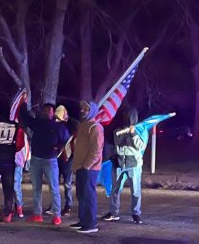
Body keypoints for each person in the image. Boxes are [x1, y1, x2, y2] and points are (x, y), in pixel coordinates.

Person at [19, 96, 71, 225]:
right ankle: (37, 214)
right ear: (42, 112)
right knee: (36, 188)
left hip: (50, 161)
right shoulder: (38, 124)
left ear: (53, 113)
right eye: (45, 110)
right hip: (36, 159)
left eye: (50, 110)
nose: (47, 112)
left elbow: (67, 142)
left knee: (54, 188)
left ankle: (57, 215)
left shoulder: (59, 127)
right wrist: (23, 103)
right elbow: (25, 117)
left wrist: (58, 148)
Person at [103, 107, 146, 224]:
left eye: (128, 116)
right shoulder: (117, 131)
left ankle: (136, 213)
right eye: (124, 116)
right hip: (119, 162)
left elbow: (140, 146)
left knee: (135, 190)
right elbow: (117, 144)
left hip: (134, 163)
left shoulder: (141, 131)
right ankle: (113, 212)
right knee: (115, 189)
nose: (126, 118)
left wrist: (133, 134)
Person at [71, 100, 104, 234]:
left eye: (86, 108)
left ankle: (90, 224)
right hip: (80, 166)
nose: (82, 110)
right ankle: (83, 220)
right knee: (81, 195)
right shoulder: (84, 126)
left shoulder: (95, 127)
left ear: (92, 111)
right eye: (82, 108)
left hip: (89, 168)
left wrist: (87, 165)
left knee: (88, 195)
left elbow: (96, 149)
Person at [55, 105, 76, 216]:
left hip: (68, 158)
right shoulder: (56, 124)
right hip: (57, 157)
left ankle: (68, 205)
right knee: (55, 182)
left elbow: (73, 142)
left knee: (67, 183)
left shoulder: (73, 124)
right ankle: (55, 204)